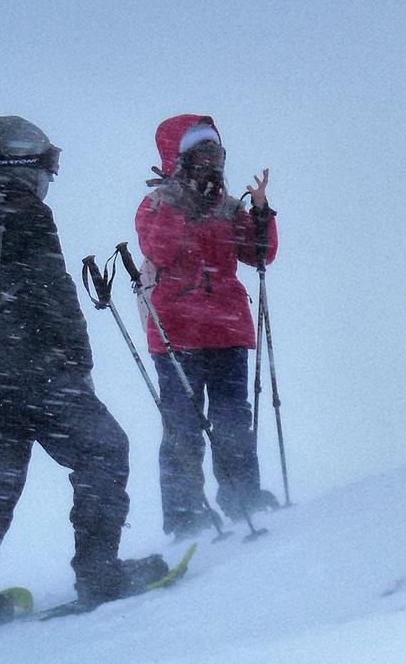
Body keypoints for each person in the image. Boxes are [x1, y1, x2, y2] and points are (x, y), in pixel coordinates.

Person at [0, 116, 164, 642]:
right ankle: (99, 575)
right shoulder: (26, 212)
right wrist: (77, 365)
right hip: (32, 368)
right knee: (105, 449)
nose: (49, 177)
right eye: (47, 166)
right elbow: (52, 296)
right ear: (27, 163)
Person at [135, 114, 279, 540]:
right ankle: (184, 516)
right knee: (184, 424)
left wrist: (260, 211)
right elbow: (158, 251)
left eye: (214, 154)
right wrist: (183, 204)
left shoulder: (228, 205)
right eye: (199, 155)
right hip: (178, 331)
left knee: (233, 417)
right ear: (178, 159)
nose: (209, 163)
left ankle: (241, 498)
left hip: (226, 329)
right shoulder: (158, 204)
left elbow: (259, 255)